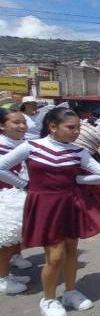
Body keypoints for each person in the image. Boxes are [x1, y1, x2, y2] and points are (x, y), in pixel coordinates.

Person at [0, 107, 100, 316]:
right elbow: (1, 167)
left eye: (78, 127)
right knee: (55, 256)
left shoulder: (78, 152)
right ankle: (49, 299)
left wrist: (78, 180)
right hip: (44, 204)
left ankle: (70, 291)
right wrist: (24, 184)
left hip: (70, 203)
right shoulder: (31, 146)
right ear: (52, 127)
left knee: (71, 250)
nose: (76, 132)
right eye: (71, 127)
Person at [0, 109, 32, 294]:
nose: (22, 126)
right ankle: (3, 279)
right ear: (2, 126)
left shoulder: (20, 143)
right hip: (4, 199)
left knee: (12, 239)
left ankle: (6, 273)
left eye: (24, 122)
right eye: (16, 123)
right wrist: (25, 184)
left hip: (15, 196)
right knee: (5, 242)